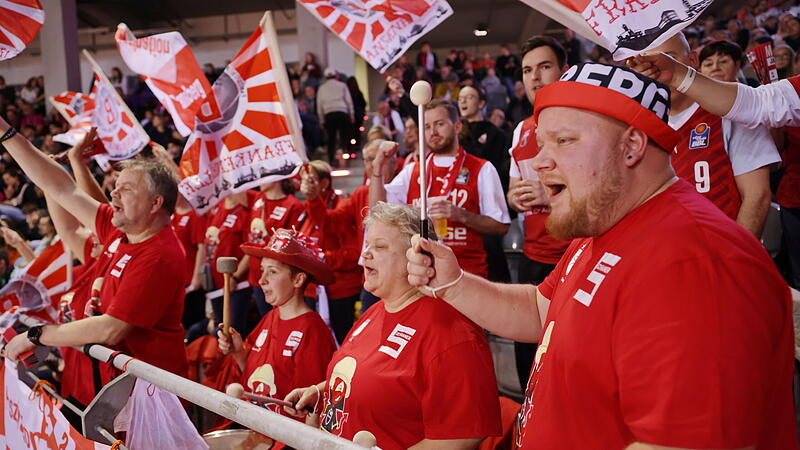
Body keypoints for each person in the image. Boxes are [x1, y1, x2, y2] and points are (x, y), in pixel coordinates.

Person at [405, 62, 797, 449]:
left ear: (631, 146)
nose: (539, 161)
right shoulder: (607, 221)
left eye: (564, 140)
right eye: (542, 142)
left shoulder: (696, 261)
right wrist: (452, 283)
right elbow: (544, 311)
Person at [283, 202, 501, 449]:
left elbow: (461, 436)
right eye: (367, 245)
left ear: (418, 256)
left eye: (380, 247)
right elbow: (365, 377)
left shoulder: (452, 333)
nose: (365, 254)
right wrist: (322, 391)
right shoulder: (375, 311)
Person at [2, 126, 189, 380]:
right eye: (116, 186)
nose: (113, 193)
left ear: (155, 202)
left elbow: (111, 329)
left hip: (140, 403)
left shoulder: (159, 255)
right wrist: (7, 133)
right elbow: (63, 189)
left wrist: (37, 335)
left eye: (127, 189)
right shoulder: (120, 231)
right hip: (100, 387)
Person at [652, 35, 779, 238]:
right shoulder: (638, 126)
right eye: (648, 65)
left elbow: (757, 196)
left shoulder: (733, 111)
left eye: (669, 59)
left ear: (693, 60)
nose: (658, 71)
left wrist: (735, 258)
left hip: (719, 252)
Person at [369, 99, 510, 279]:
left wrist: (460, 214)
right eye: (427, 127)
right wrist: (378, 166)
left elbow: (501, 226)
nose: (433, 132)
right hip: (422, 273)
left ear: (457, 127)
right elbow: (377, 209)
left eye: (440, 124)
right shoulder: (413, 170)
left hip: (467, 275)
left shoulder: (482, 168)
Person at [504, 35, 574, 394]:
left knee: (569, 361)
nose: (535, 76)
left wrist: (547, 194)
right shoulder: (521, 128)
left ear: (564, 71)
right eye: (528, 70)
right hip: (534, 256)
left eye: (544, 67)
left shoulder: (583, 121)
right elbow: (515, 192)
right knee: (528, 361)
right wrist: (516, 196)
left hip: (575, 256)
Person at [217, 229, 336, 422]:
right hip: (254, 427)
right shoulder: (270, 317)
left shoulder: (312, 331)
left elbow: (310, 410)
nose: (262, 280)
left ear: (298, 280)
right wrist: (239, 352)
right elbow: (256, 380)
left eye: (272, 272)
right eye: (262, 270)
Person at [302, 140, 398, 316]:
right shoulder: (361, 193)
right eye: (368, 160)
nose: (372, 165)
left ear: (394, 161)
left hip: (402, 279)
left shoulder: (407, 187)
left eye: (378, 158)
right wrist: (314, 199)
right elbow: (331, 223)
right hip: (372, 280)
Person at [299, 161, 361, 344]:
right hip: (312, 290)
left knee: (341, 342)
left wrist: (322, 258)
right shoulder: (307, 209)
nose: (304, 184)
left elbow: (353, 254)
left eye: (310, 180)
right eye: (303, 180)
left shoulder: (342, 207)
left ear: (324, 183)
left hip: (339, 291)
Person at [457, 85, 511, 284]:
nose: (463, 102)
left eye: (469, 97)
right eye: (460, 98)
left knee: (493, 267)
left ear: (481, 103)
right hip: (460, 208)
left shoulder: (495, 134)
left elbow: (502, 172)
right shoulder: (454, 135)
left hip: (486, 212)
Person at [243, 180, 305, 316]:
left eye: (263, 175)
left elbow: (294, 248)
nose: (259, 179)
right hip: (256, 276)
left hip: (278, 278)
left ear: (276, 177)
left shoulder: (293, 205)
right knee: (267, 322)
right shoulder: (258, 198)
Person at [204, 190, 253, 336]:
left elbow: (251, 249)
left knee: (232, 332)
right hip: (216, 283)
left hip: (236, 284)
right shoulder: (217, 206)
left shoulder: (246, 210)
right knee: (221, 331)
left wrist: (236, 277)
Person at [316, 68, 354, 163]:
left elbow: (319, 105)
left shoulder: (322, 88)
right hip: (342, 112)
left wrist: (321, 120)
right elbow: (349, 101)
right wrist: (352, 114)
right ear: (336, 75)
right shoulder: (342, 85)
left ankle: (331, 159)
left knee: (331, 138)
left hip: (329, 114)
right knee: (344, 136)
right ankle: (345, 154)